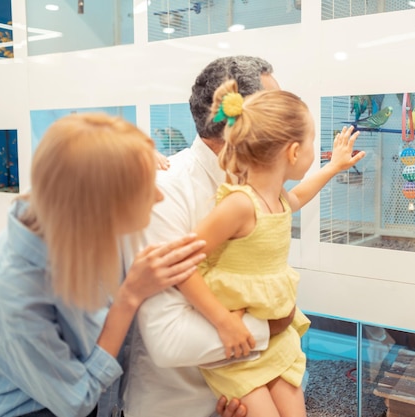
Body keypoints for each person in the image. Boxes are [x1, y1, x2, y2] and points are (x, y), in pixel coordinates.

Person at [0, 113, 207, 417]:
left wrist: (122, 157)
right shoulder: (15, 290)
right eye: (143, 187)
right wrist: (130, 297)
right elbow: (75, 400)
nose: (159, 195)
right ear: (101, 201)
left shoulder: (71, 222)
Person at [176, 80, 364, 417]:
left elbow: (301, 195)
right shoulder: (240, 205)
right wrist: (223, 322)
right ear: (293, 152)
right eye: (310, 144)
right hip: (239, 343)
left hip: (276, 337)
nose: (311, 151)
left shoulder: (276, 199)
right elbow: (182, 264)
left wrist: (333, 167)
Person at [122, 56, 291, 417]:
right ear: (238, 122)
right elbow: (168, 340)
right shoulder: (165, 192)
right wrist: (273, 325)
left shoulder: (258, 190)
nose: (288, 123)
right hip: (177, 406)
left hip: (240, 398)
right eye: (276, 109)